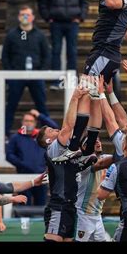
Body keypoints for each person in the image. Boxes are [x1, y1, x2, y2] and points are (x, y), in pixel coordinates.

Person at [65, 0, 127, 162]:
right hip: (101, 51)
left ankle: (73, 146)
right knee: (94, 99)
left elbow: (114, 3)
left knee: (82, 94)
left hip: (106, 52)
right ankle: (88, 148)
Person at [36, 85, 97, 242]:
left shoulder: (69, 149)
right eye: (50, 130)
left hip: (70, 206)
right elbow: (68, 128)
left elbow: (81, 127)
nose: (55, 130)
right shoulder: (53, 148)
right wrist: (75, 97)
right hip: (60, 205)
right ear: (48, 140)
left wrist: (92, 98)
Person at [39, 0, 89, 89]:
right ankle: (56, 81)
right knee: (56, 50)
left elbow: (84, 1)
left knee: (72, 51)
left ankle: (71, 81)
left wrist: (81, 16)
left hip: (72, 22)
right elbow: (42, 3)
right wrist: (47, 17)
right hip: (55, 22)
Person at [2, 6, 52, 136]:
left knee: (42, 106)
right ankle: (5, 133)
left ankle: (46, 134)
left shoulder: (40, 35)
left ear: (33, 17)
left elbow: (46, 55)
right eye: (23, 14)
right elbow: (5, 56)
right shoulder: (11, 35)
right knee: (11, 106)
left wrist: (41, 71)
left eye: (28, 15)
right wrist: (10, 73)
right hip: (16, 76)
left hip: (36, 75)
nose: (25, 17)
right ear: (19, 17)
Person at [6, 110, 58, 206]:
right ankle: (22, 221)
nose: (28, 123)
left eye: (31, 121)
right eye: (26, 120)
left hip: (41, 176)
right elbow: (9, 155)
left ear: (35, 123)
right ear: (22, 122)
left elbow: (55, 128)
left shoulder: (41, 136)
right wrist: (23, 164)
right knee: (24, 204)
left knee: (41, 205)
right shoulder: (15, 137)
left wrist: (40, 115)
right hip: (23, 177)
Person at [75, 139, 115, 242]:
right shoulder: (83, 161)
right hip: (83, 213)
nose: (98, 142)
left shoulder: (103, 157)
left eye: (99, 140)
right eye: (93, 141)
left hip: (97, 214)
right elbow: (101, 164)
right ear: (84, 147)